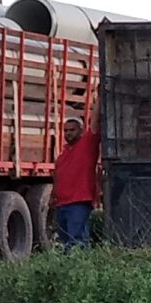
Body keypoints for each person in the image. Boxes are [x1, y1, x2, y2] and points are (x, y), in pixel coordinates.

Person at [52, 94, 100, 249]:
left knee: (77, 242)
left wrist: (100, 96)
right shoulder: (63, 154)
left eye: (72, 130)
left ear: (81, 131)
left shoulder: (87, 145)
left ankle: (82, 264)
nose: (68, 133)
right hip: (62, 204)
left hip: (79, 202)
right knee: (66, 243)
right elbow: (58, 177)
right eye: (65, 131)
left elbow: (95, 121)